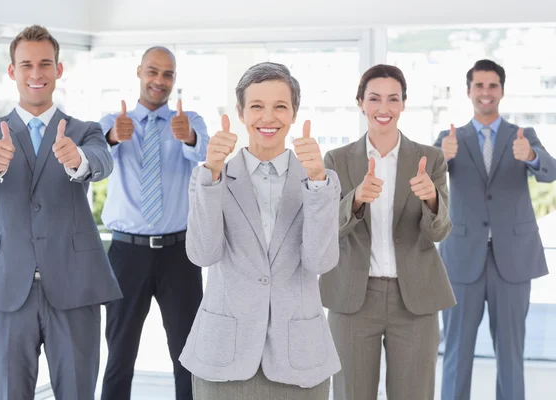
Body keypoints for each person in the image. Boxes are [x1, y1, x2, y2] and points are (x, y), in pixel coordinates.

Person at [0, 25, 121, 400]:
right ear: (12, 71)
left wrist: (77, 159)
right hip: (5, 289)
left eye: (45, 64)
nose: (36, 73)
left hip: (74, 286)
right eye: (26, 65)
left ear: (58, 70)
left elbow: (101, 160)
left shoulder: (85, 131)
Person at [178, 61, 341, 400]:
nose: (268, 118)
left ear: (294, 113)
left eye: (280, 106)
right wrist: (212, 175)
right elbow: (203, 254)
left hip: (299, 358)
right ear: (241, 112)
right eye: (257, 106)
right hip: (223, 355)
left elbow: (320, 261)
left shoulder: (321, 181)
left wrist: (315, 182)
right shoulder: (209, 176)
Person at [319, 64, 456, 400]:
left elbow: (439, 231)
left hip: (415, 301)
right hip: (353, 298)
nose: (384, 108)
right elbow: (324, 229)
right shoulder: (336, 160)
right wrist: (355, 201)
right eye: (375, 98)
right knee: (351, 394)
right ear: (360, 103)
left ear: (403, 105)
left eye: (393, 99)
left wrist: (432, 198)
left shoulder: (431, 159)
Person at [436, 59, 556, 400]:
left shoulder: (523, 135)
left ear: (501, 91)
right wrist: (439, 157)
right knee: (456, 351)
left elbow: (551, 171)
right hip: (462, 260)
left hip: (513, 260)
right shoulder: (450, 138)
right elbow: (424, 178)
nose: (485, 92)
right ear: (469, 91)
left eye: (492, 86)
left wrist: (531, 155)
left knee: (510, 353)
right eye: (479, 86)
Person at [99, 46, 209, 400]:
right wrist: (114, 137)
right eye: (153, 71)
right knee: (119, 355)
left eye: (167, 74)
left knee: (188, 355)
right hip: (125, 254)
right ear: (139, 72)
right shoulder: (110, 124)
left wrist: (188, 137)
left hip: (179, 254)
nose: (159, 80)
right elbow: (93, 161)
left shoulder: (190, 121)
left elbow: (208, 157)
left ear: (174, 80)